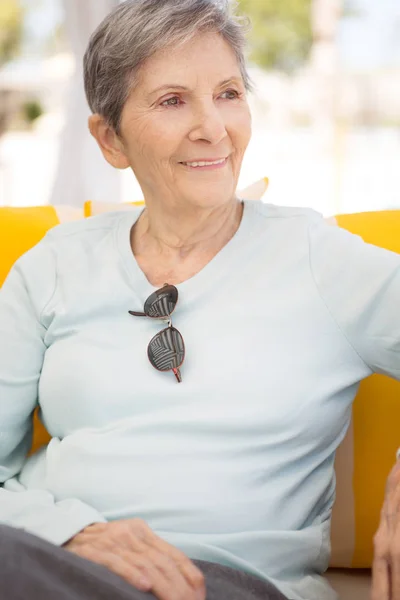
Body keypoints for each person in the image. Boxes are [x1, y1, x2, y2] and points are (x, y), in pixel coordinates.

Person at [0, 1, 399, 600]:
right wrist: (71, 532)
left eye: (229, 93)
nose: (213, 127)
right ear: (111, 138)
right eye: (172, 100)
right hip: (49, 560)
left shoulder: (317, 258)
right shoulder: (54, 266)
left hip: (224, 581)